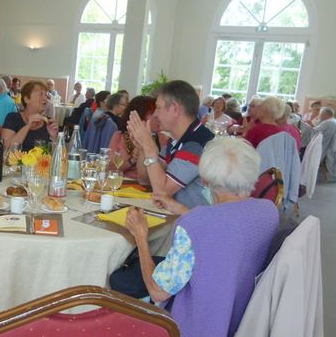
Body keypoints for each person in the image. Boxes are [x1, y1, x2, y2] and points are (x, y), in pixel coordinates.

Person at [121, 137, 278, 336]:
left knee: (121, 280)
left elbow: (157, 290)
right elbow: (226, 229)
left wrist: (140, 236)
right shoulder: (268, 211)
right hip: (242, 319)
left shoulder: (195, 225)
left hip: (194, 327)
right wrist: (181, 209)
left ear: (204, 179)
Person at [128, 80, 214, 208]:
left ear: (174, 109)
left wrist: (149, 147)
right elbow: (146, 179)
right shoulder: (175, 140)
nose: (155, 115)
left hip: (196, 224)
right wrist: (143, 149)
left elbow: (162, 192)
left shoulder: (196, 143)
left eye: (158, 108)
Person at [108, 96, 157, 179]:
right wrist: (132, 160)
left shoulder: (161, 139)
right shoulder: (121, 136)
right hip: (123, 185)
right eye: (152, 113)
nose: (157, 116)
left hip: (148, 188)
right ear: (139, 116)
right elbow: (110, 168)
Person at [2, 80, 58, 151]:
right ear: (26, 99)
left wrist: (54, 138)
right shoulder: (13, 118)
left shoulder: (49, 123)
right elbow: (6, 149)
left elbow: (56, 157)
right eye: (41, 94)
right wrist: (28, 126)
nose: (45, 99)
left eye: (46, 95)